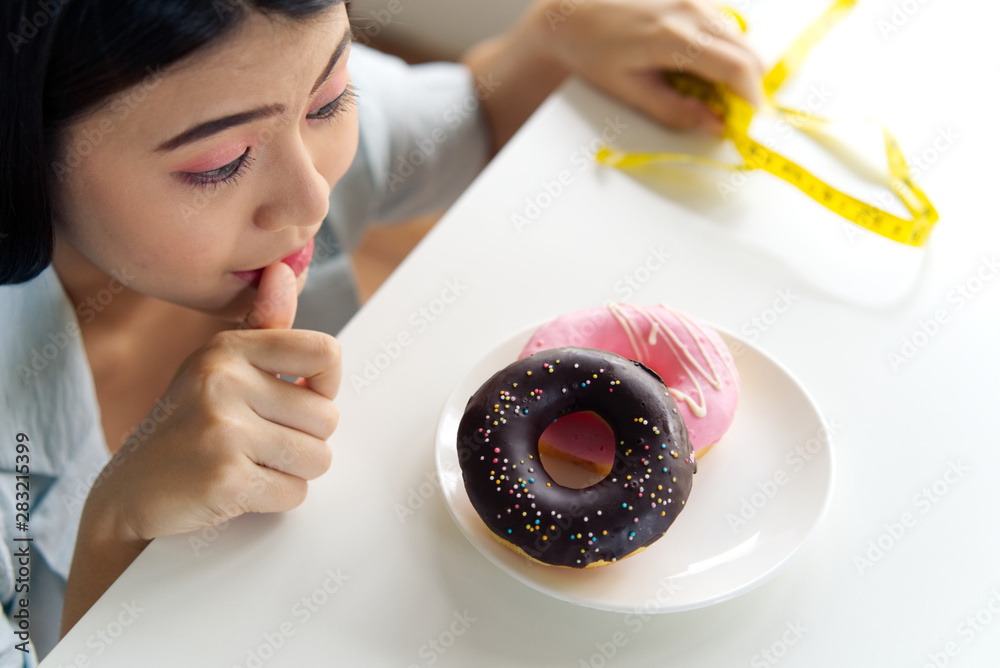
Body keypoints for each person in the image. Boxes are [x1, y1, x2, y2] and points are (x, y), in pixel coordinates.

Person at [0, 0, 762, 661]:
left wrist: (550, 38)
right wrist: (118, 524)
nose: (309, 199)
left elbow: (472, 115)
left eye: (332, 98)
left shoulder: (259, 79)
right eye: (219, 164)